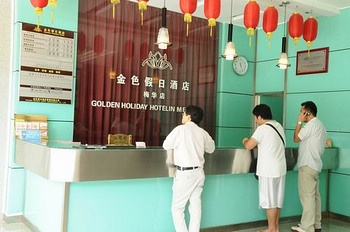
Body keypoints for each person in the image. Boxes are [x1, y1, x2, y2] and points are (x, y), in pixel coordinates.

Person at [162, 105, 215, 232]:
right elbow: (211, 148)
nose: (182, 116)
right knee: (195, 207)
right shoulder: (202, 132)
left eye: (183, 114)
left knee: (177, 208)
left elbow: (166, 145)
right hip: (199, 173)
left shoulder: (180, 130)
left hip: (185, 174)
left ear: (189, 117)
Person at [242, 104, 286, 232]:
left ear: (260, 117)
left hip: (268, 170)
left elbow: (249, 146)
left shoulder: (262, 129)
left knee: (269, 201)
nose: (256, 121)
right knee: (277, 200)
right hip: (280, 168)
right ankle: (275, 228)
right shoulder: (278, 126)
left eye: (256, 118)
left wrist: (244, 140)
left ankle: (271, 229)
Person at [291, 101, 327, 232]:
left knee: (307, 197)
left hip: (307, 165)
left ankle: (306, 227)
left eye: (302, 112)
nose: (300, 114)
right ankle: (316, 224)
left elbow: (296, 138)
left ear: (308, 113)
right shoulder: (320, 125)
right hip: (316, 165)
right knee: (315, 197)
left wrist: (299, 122)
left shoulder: (311, 125)